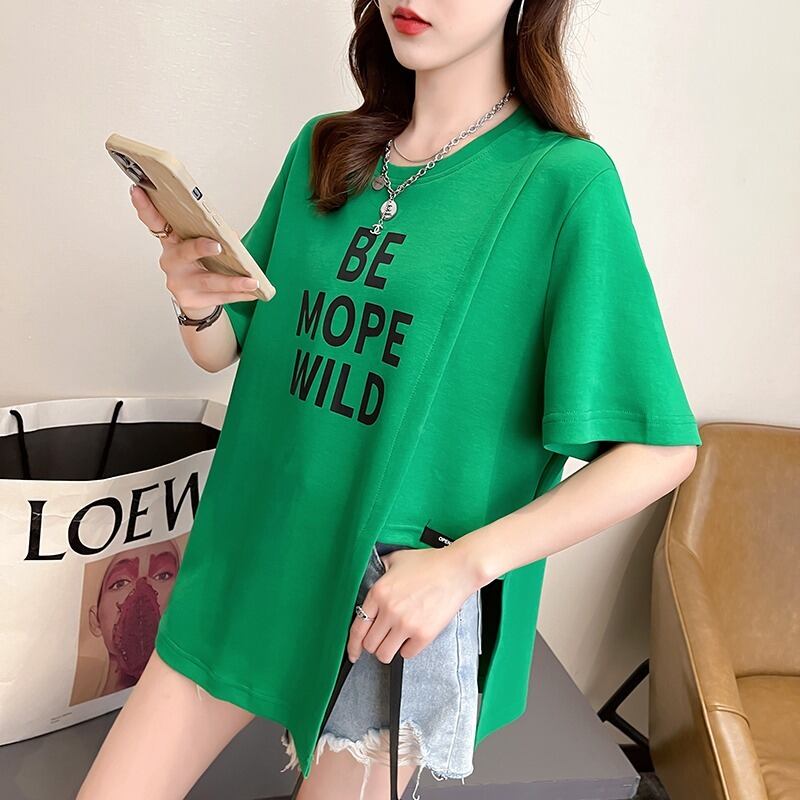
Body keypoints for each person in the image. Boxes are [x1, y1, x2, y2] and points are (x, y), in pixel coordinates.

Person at [78, 0, 702, 798]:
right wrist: (193, 297)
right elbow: (232, 344)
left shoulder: (561, 183)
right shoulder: (325, 147)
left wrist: (464, 566)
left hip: (385, 606)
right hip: (249, 555)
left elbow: (660, 451)